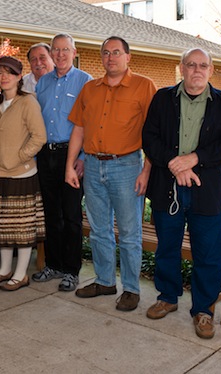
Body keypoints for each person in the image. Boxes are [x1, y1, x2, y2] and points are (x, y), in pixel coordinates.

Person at [142, 48, 221, 339]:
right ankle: (167, 297)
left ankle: (203, 311)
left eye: (203, 66)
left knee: (209, 253)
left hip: (207, 192)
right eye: (191, 65)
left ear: (210, 71)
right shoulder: (162, 99)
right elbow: (150, 138)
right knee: (167, 246)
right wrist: (177, 166)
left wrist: (194, 158)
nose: (197, 70)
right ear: (181, 68)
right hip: (167, 190)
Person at [65, 36, 157, 311]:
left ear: (128, 57)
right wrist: (70, 165)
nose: (110, 57)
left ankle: (131, 288)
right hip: (92, 166)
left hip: (127, 167)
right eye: (105, 52)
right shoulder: (90, 88)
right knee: (98, 229)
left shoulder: (144, 86)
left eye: (116, 52)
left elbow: (153, 134)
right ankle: (105, 280)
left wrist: (146, 171)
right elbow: (79, 129)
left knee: (129, 232)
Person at [0, 56, 47, 291]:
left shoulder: (27, 102)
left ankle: (21, 274)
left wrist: (19, 157)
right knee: (3, 224)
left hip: (21, 175)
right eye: (0, 72)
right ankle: (5, 268)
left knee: (21, 227)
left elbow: (39, 136)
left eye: (9, 72)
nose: (4, 77)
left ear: (19, 77)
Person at [34, 33, 93, 292]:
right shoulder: (42, 83)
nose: (60, 54)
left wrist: (81, 159)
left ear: (74, 51)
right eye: (55, 50)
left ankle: (71, 270)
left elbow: (89, 124)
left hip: (72, 156)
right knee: (51, 214)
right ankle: (54, 264)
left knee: (71, 216)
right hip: (46, 155)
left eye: (65, 50)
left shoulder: (85, 82)